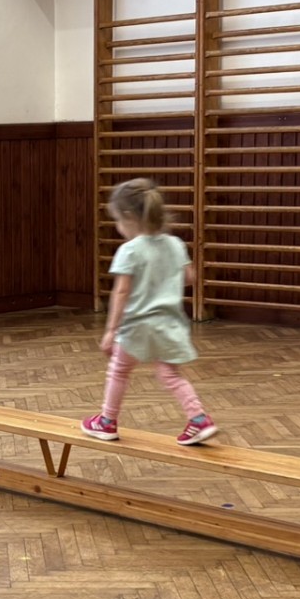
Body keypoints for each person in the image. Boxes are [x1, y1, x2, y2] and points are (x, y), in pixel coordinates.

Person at [79, 178, 216, 446]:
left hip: (138, 327)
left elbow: (121, 292)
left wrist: (111, 330)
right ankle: (199, 418)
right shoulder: (175, 244)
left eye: (117, 220)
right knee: (171, 376)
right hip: (170, 324)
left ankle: (107, 421)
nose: (118, 226)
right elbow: (189, 277)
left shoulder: (129, 250)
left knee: (119, 371)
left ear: (129, 217)